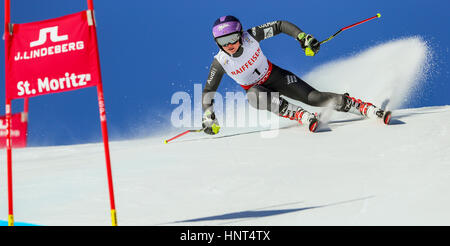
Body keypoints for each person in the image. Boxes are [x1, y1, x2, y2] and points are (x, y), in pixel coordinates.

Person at [201, 15, 391, 135]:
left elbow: (280, 25)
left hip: (276, 76)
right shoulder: (221, 62)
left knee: (314, 98)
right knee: (253, 96)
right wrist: (208, 115)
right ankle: (299, 114)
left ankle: (364, 108)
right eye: (222, 41)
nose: (229, 45)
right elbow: (209, 89)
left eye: (232, 38)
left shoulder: (251, 36)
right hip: (258, 90)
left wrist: (303, 37)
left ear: (240, 34)